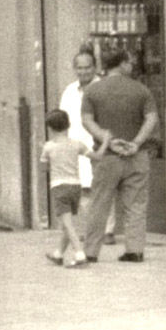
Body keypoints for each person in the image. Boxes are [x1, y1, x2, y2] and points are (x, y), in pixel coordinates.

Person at [81, 47, 159, 263]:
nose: (132, 65)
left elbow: (87, 120)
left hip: (106, 157)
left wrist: (108, 141)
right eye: (130, 62)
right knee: (136, 204)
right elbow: (151, 119)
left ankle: (91, 252)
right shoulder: (142, 90)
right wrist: (135, 143)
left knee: (99, 203)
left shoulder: (93, 91)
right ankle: (134, 250)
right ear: (122, 63)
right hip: (136, 156)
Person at [59, 45, 119, 244]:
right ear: (74, 69)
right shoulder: (69, 91)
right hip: (77, 147)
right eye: (79, 68)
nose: (83, 71)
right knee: (84, 191)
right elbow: (63, 120)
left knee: (104, 188)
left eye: (87, 67)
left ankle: (108, 231)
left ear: (94, 67)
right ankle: (90, 230)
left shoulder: (105, 87)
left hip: (100, 146)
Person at [39, 108, 101, 268]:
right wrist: (106, 140)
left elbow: (43, 169)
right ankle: (58, 254)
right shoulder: (77, 144)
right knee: (68, 223)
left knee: (67, 224)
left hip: (59, 187)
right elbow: (96, 156)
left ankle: (80, 254)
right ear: (69, 125)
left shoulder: (48, 147)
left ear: (50, 128)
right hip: (76, 187)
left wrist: (45, 156)